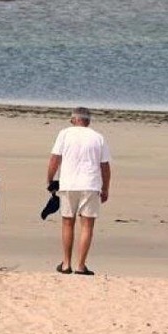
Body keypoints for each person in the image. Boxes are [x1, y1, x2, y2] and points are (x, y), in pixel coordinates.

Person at [46, 107, 112, 275]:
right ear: (88, 121)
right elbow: (105, 166)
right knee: (87, 225)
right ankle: (81, 265)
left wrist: (50, 179)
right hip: (91, 184)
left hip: (69, 183)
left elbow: (55, 158)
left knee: (68, 222)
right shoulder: (98, 137)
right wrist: (105, 187)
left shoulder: (65, 134)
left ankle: (66, 263)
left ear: (73, 119)